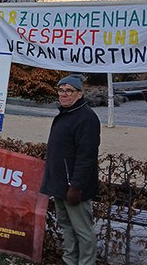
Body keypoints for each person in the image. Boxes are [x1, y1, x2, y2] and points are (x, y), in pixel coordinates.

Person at [40, 75, 101, 265]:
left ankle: (86, 262)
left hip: (74, 187)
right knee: (66, 226)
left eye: (69, 91)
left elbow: (86, 157)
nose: (63, 94)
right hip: (59, 184)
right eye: (60, 90)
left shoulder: (87, 118)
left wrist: (76, 186)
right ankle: (70, 260)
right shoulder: (66, 113)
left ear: (79, 93)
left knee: (83, 230)